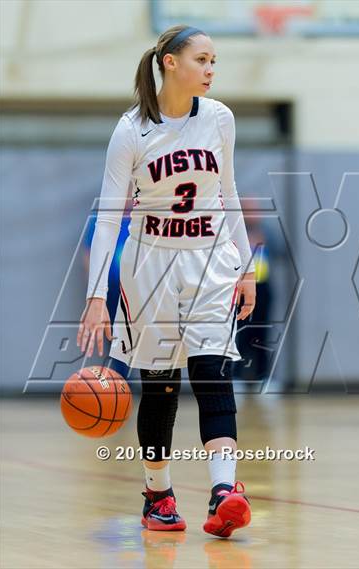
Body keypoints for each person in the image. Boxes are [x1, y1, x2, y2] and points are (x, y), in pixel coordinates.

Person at [76, 25, 256, 538]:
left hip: (209, 261)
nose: (211, 69)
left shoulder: (219, 118)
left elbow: (229, 191)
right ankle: (158, 494)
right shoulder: (131, 130)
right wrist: (96, 298)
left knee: (211, 372)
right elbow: (109, 216)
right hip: (150, 266)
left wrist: (244, 266)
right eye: (203, 59)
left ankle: (225, 492)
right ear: (170, 63)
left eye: (214, 61)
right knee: (160, 386)